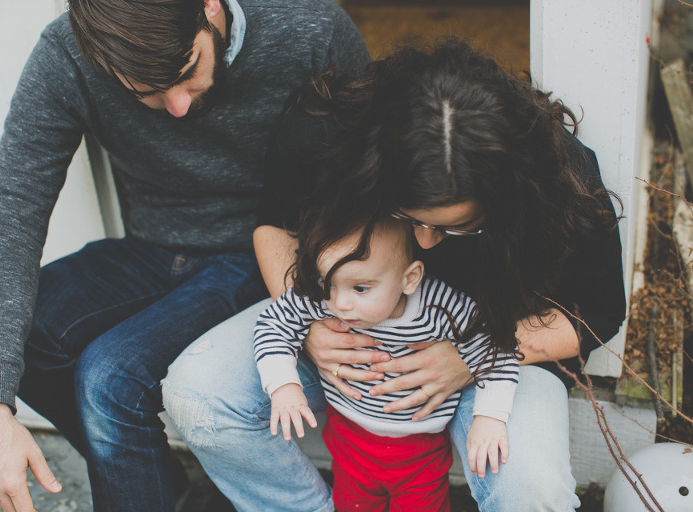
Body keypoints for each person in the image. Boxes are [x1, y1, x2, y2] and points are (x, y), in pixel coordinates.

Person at [162, 38, 626, 511]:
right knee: (197, 395)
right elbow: (275, 226)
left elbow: (597, 314)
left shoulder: (560, 175)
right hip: (348, 317)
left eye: (456, 226)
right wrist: (310, 325)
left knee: (534, 491)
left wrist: (471, 357)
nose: (425, 242)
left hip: (496, 352)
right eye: (408, 217)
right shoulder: (326, 130)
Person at [0, 0, 369, 511]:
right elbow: (11, 205)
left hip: (262, 250)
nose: (177, 106)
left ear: (210, 6)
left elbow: (376, 164)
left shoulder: (311, 26)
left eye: (185, 71)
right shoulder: (69, 52)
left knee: (109, 376)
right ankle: (153, 480)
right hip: (153, 246)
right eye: (146, 92)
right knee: (26, 333)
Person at [254, 214, 519, 511]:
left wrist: (489, 418)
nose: (340, 303)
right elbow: (273, 325)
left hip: (419, 451)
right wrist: (283, 385)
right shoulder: (322, 296)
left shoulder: (441, 308)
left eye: (361, 288)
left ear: (409, 278)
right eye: (328, 284)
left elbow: (498, 349)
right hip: (349, 437)